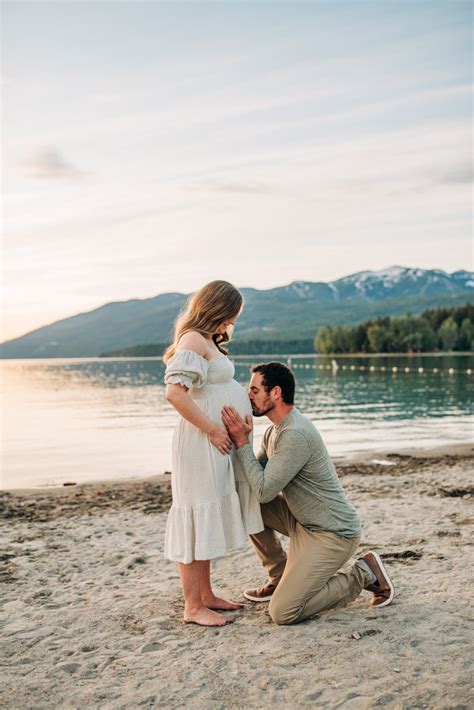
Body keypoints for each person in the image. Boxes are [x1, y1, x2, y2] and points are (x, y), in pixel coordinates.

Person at [222, 361, 395, 626]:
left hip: (333, 534)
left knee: (282, 612)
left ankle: (364, 573)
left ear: (276, 393)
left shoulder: (295, 434)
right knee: (244, 499)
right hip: (303, 522)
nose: (249, 396)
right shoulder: (273, 432)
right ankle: (278, 576)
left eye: (254, 390)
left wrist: (242, 442)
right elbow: (254, 482)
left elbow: (265, 490)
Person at [163, 281, 263, 627]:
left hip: (216, 442)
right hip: (200, 443)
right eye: (227, 318)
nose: (228, 327)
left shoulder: (206, 341)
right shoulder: (192, 340)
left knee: (207, 511)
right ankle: (192, 607)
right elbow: (175, 394)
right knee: (196, 513)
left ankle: (205, 595)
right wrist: (212, 429)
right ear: (214, 309)